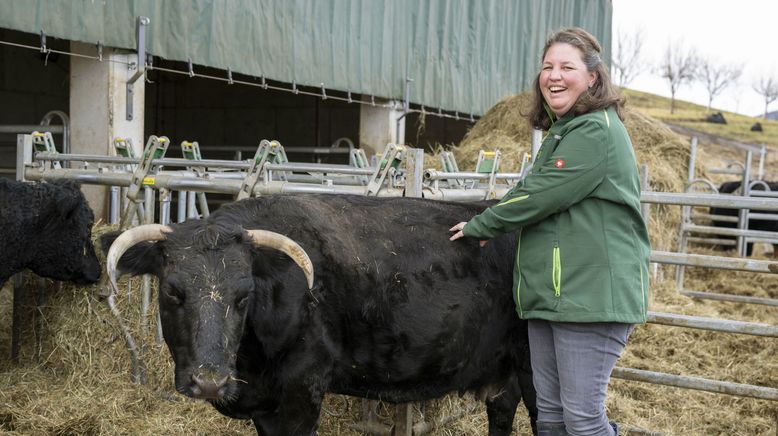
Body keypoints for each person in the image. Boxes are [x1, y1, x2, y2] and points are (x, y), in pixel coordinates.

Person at [449, 27, 650, 436]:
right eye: (547, 66)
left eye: (567, 67)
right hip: (554, 295)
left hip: (588, 298)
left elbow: (541, 195)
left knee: (582, 419)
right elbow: (528, 188)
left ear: (593, 77)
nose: (553, 75)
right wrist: (492, 218)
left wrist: (482, 225)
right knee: (552, 415)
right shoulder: (565, 132)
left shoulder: (595, 131)